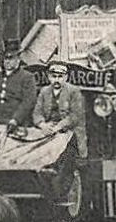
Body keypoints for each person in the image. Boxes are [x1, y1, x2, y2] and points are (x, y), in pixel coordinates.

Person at [32, 59, 87, 202]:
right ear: (49, 77)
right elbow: (37, 113)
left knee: (63, 151)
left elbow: (75, 115)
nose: (57, 80)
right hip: (48, 131)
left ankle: (58, 190)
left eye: (60, 76)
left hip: (70, 132)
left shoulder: (74, 92)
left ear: (66, 77)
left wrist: (59, 126)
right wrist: (42, 124)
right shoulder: (44, 92)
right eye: (54, 76)